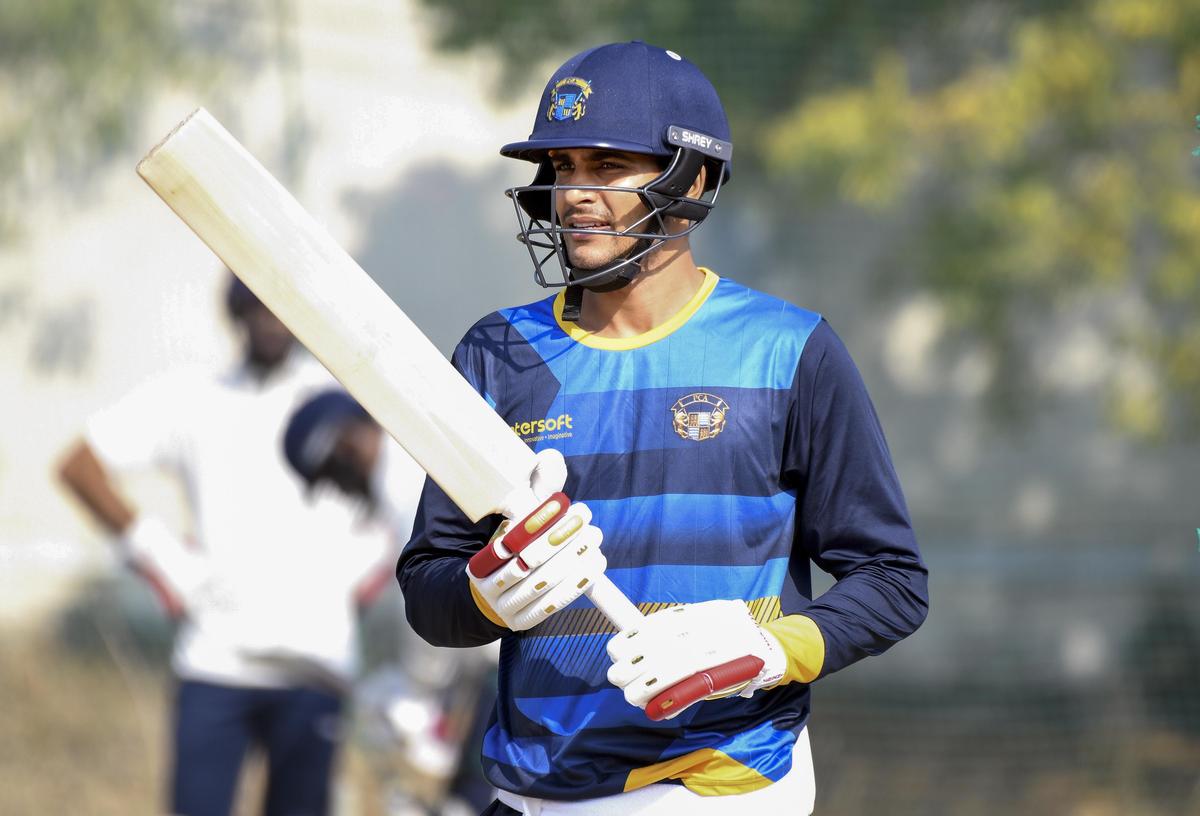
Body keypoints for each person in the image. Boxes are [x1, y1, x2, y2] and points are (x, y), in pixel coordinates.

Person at [396, 41, 929, 815]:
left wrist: (768, 649)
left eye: (607, 167)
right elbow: (428, 588)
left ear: (694, 178)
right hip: (528, 788)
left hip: (714, 785)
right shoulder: (496, 354)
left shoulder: (788, 352)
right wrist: (486, 594)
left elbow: (892, 580)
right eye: (563, 168)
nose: (576, 194)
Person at [58, 276, 394, 816]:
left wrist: (356, 577)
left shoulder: (340, 401)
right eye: (255, 305)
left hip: (316, 666)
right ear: (235, 310)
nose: (269, 319)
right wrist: (168, 562)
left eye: (280, 305)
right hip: (216, 661)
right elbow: (80, 466)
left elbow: (393, 511)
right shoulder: (195, 396)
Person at [283, 389, 498, 813]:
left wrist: (419, 697)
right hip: (496, 649)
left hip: (510, 650)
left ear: (345, 445)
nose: (342, 491)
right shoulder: (411, 462)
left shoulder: (402, 482)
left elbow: (433, 602)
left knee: (481, 795)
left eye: (334, 475)